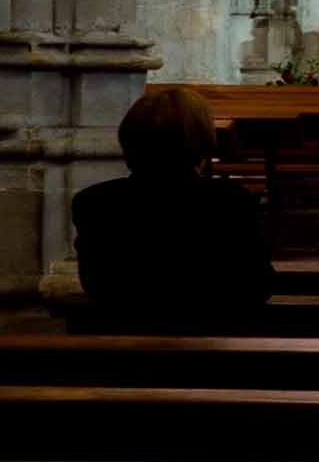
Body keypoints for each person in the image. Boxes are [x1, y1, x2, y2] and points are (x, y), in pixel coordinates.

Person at [74, 88, 276, 330]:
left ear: (129, 142)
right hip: (214, 340)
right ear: (201, 143)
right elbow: (257, 285)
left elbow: (97, 284)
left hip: (125, 342)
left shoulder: (95, 202)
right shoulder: (231, 200)